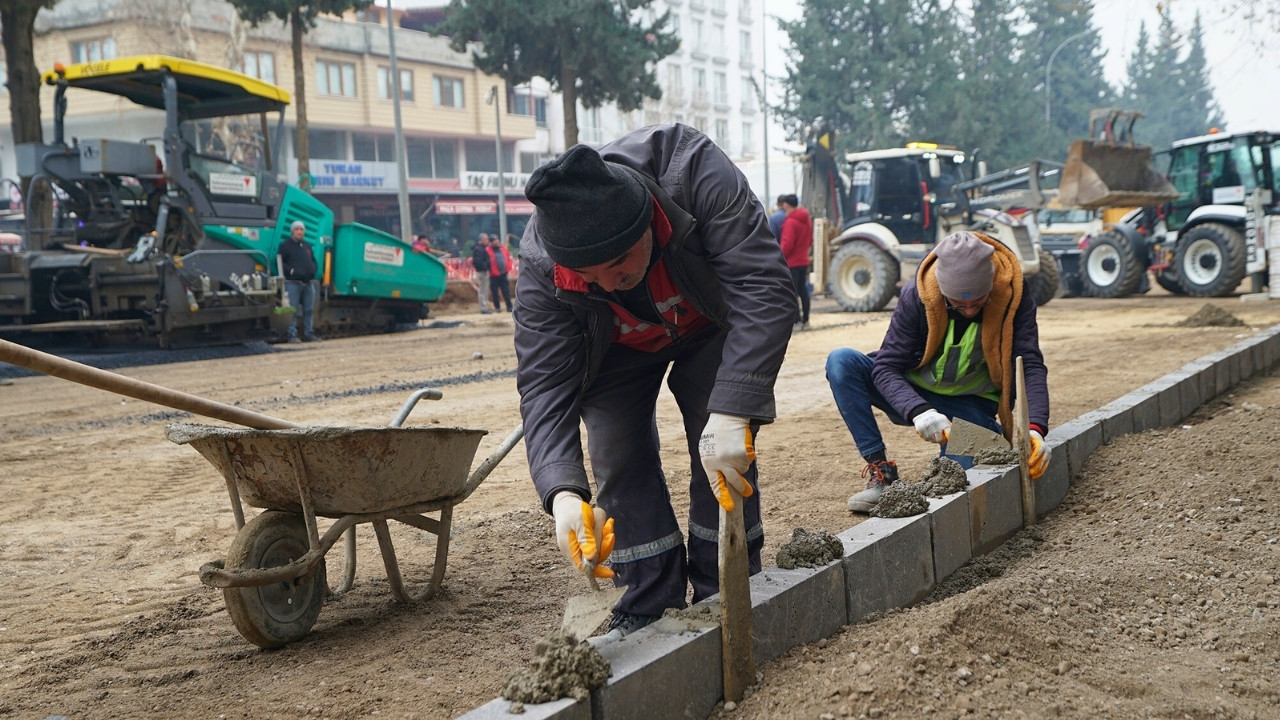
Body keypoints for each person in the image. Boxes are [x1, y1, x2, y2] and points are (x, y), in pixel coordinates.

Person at [514, 125, 795, 641]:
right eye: (588, 277)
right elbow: (544, 381)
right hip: (615, 349)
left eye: (619, 265)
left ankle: (726, 582)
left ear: (647, 221)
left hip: (706, 323)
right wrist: (562, 493)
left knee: (721, 456)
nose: (607, 283)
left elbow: (764, 288)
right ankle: (648, 597)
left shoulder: (694, 173)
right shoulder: (540, 264)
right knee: (616, 452)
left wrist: (734, 408)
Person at [825, 231, 1051, 513]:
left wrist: (1037, 429)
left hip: (971, 404)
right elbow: (886, 367)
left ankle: (985, 435)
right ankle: (881, 473)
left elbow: (1029, 364)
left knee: (957, 484)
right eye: (958, 304)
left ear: (992, 285)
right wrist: (919, 410)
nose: (968, 311)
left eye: (978, 303)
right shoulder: (918, 295)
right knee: (841, 362)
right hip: (916, 393)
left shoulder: (1012, 296)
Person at [278, 219, 321, 343]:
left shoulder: (307, 246)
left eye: (301, 229)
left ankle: (309, 334)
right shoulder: (285, 245)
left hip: (308, 283)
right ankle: (291, 334)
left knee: (309, 310)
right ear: (292, 231)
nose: (299, 232)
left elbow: (313, 260)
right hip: (293, 284)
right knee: (292, 310)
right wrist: (291, 271)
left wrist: (313, 270)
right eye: (297, 229)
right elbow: (280, 262)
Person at [778, 194, 813, 330]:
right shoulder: (806, 219)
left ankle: (796, 321)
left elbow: (787, 244)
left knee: (792, 293)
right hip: (803, 260)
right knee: (803, 291)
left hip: (792, 262)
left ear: (786, 205)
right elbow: (810, 240)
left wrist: (779, 258)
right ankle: (806, 321)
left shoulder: (790, 222)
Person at [486, 233, 514, 312]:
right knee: (495, 293)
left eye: (497, 239)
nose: (496, 241)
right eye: (494, 240)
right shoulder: (487, 250)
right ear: (491, 242)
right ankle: (497, 307)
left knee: (506, 291)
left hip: (503, 274)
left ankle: (509, 306)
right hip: (493, 275)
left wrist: (508, 268)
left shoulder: (503, 248)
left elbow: (508, 258)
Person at [470, 233, 493, 314]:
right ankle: (483, 308)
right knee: (482, 290)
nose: (487, 241)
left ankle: (485, 306)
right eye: (486, 239)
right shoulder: (478, 249)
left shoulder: (482, 248)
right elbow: (478, 261)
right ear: (482, 240)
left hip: (483, 271)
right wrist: (485, 267)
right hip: (482, 271)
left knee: (485, 289)